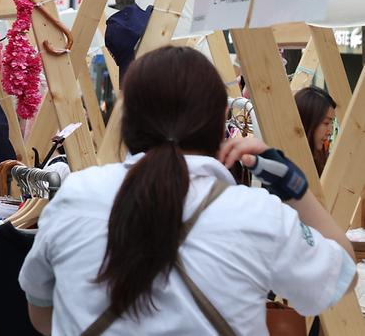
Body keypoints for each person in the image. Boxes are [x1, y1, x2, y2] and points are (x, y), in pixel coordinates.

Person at [19, 46, 356, 335]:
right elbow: (341, 274)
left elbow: (41, 312)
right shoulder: (257, 213)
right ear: (218, 124)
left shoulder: (75, 197)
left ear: (128, 122)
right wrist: (292, 186)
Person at [295, 86, 337, 176]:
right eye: (326, 123)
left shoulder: (324, 158)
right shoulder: (287, 164)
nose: (330, 131)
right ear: (307, 121)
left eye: (332, 123)